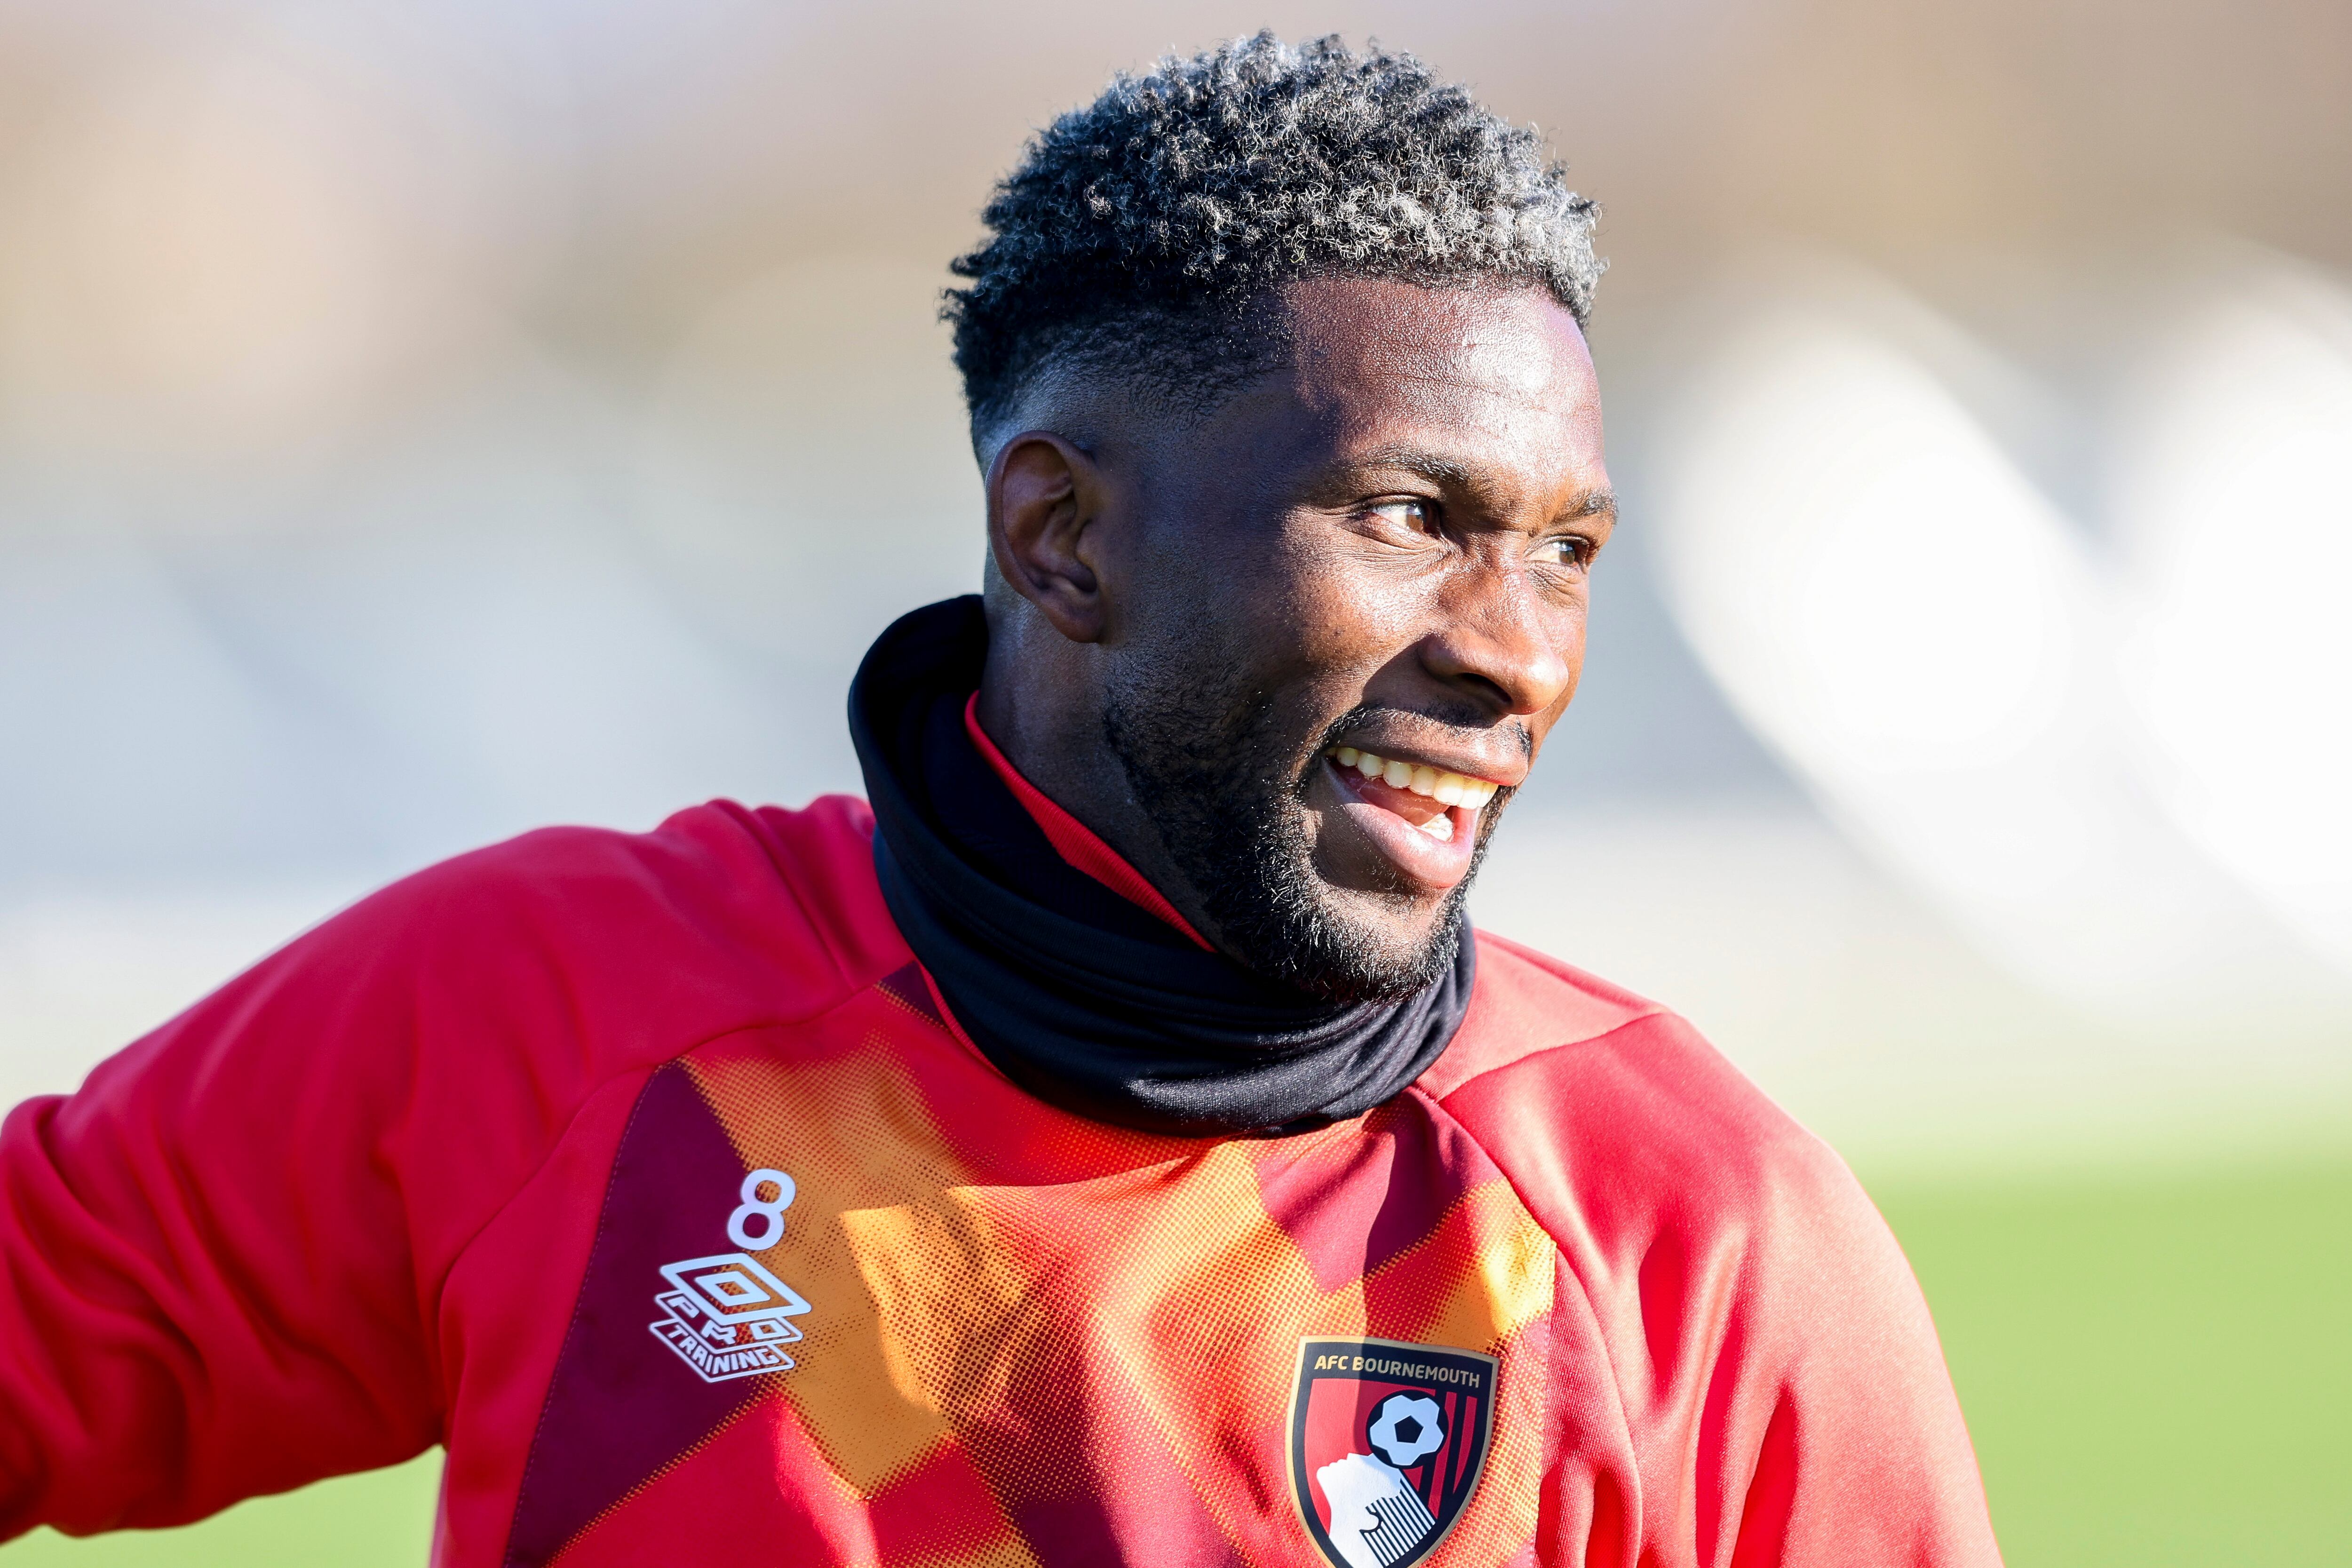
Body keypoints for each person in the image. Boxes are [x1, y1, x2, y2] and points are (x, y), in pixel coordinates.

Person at [0, 33, 2001, 1568]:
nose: (1520, 652)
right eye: (1406, 516)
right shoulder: (549, 1014)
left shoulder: (1686, 1222)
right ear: (1057, 540)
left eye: (1560, 546)